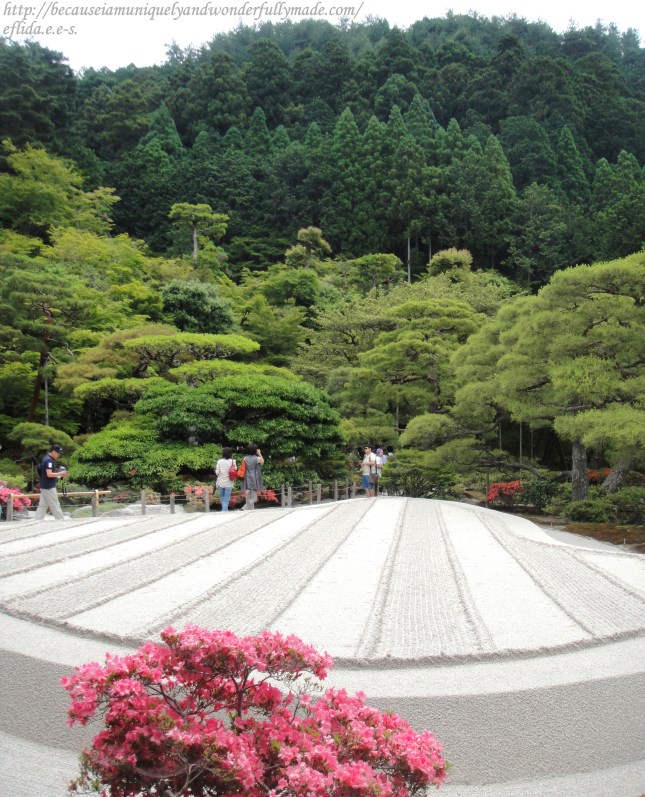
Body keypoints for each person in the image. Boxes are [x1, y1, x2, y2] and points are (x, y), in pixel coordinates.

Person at [34, 444, 67, 520]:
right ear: (53, 452)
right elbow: (49, 474)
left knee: (42, 506)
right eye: (58, 453)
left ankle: (36, 521)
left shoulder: (46, 459)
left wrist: (58, 475)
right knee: (55, 505)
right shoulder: (49, 460)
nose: (58, 455)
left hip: (44, 486)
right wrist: (60, 473)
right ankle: (61, 521)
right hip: (49, 487)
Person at [241, 444, 264, 510]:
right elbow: (262, 462)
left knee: (248, 496)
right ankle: (244, 508)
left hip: (247, 478)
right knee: (254, 498)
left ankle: (250, 510)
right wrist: (259, 454)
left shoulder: (245, 458)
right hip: (255, 478)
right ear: (255, 450)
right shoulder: (257, 458)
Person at [214, 446, 236, 512]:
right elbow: (235, 470)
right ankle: (224, 510)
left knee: (222, 498)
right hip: (229, 482)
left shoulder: (219, 461)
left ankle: (224, 510)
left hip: (220, 482)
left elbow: (217, 472)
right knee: (226, 498)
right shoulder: (233, 461)